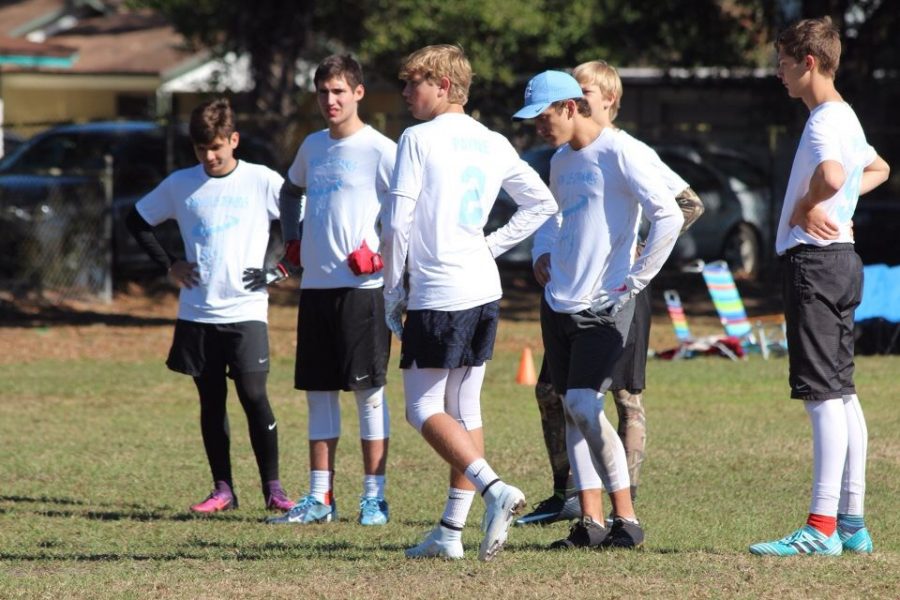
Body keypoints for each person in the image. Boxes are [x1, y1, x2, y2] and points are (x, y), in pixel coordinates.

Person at [381, 44, 557, 561]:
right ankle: (450, 533)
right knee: (463, 407)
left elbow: (396, 224)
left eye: (414, 83)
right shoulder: (493, 140)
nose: (408, 93)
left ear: (442, 84)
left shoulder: (416, 138)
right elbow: (541, 202)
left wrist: (393, 292)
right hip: (483, 289)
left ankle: (494, 488)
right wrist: (489, 246)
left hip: (440, 292)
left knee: (421, 408)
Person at [517, 60, 705, 526]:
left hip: (609, 302)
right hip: (560, 301)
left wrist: (638, 277)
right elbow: (554, 217)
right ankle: (592, 521)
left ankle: (627, 513)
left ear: (572, 106)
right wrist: (544, 252)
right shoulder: (560, 161)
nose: (540, 127)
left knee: (594, 402)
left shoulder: (623, 151)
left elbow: (671, 212)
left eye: (545, 116)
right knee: (570, 405)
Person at [748, 16, 889, 557]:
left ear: (808, 62)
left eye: (782, 63)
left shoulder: (823, 122)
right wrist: (841, 203)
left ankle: (821, 527)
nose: (778, 74)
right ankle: (851, 522)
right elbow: (876, 168)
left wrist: (811, 207)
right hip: (842, 261)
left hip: (816, 265)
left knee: (823, 398)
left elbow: (832, 175)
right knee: (843, 393)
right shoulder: (846, 116)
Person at [125, 98, 293, 513]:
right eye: (202, 150)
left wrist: (279, 267)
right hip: (197, 313)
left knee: (254, 395)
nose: (210, 156)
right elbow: (138, 220)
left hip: (246, 311)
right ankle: (223, 490)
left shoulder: (261, 180)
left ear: (233, 140)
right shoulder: (181, 184)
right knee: (211, 401)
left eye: (217, 147)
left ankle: (273, 489)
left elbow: (300, 218)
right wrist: (170, 265)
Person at [264, 54, 396, 527]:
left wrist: (382, 252)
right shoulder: (312, 147)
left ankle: (374, 497)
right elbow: (288, 192)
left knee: (369, 396)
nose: (330, 100)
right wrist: (293, 241)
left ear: (358, 93)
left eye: (339, 91)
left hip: (364, 290)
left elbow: (410, 209)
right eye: (323, 92)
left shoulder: (382, 149)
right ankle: (320, 497)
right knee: (319, 393)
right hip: (316, 289)